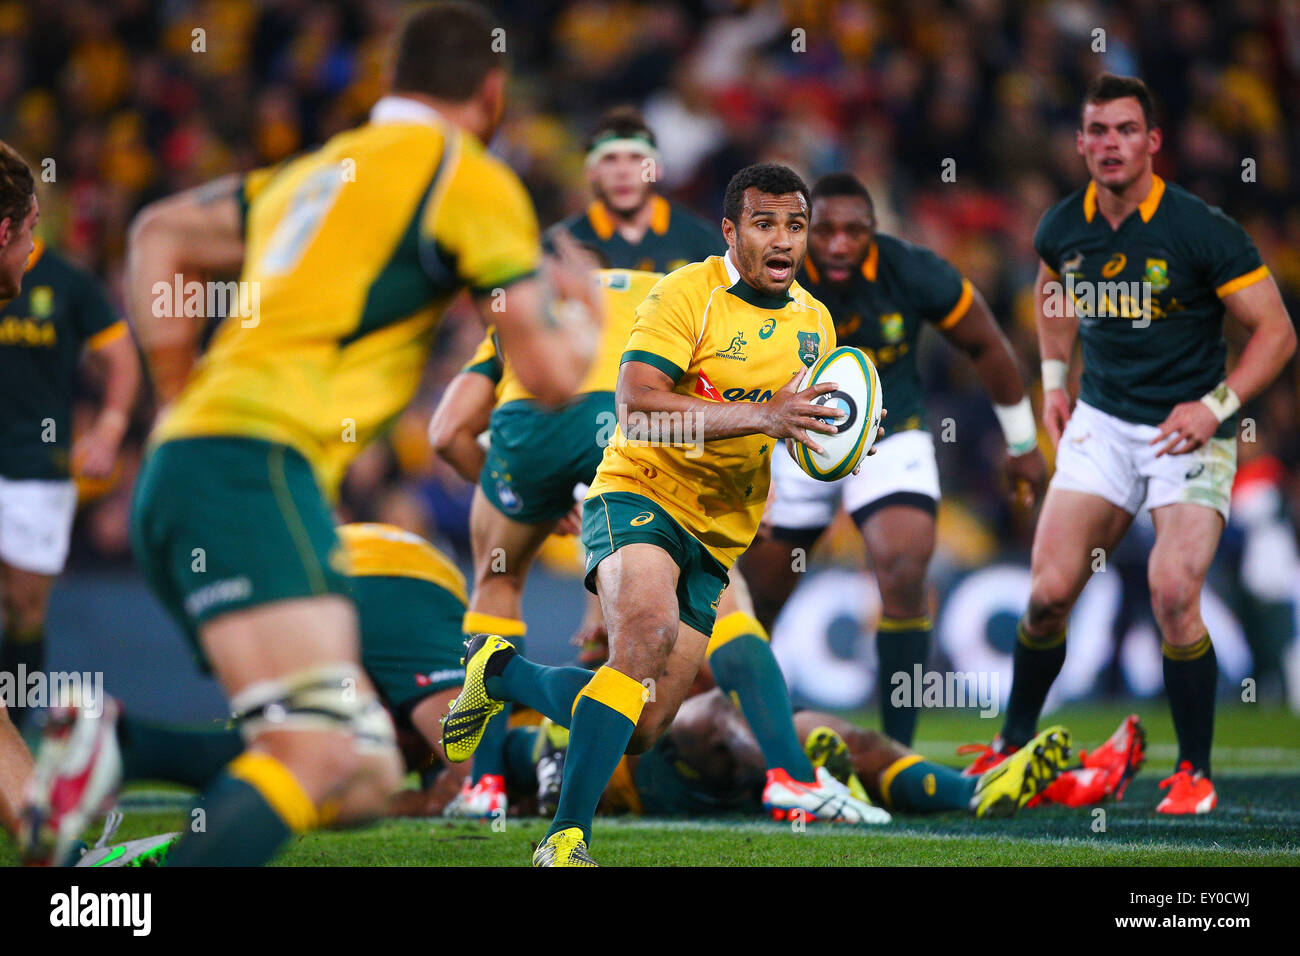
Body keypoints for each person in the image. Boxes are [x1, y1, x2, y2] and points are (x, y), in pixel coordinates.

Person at [123, 2, 601, 866]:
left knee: (355, 769)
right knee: (323, 754)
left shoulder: (317, 169)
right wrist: (589, 316)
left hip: (191, 463)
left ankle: (112, 764)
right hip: (255, 464)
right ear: (491, 94)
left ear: (392, 82)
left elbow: (158, 233)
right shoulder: (467, 174)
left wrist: (175, 395)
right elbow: (559, 377)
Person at [442, 162, 909, 866]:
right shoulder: (685, 293)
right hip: (640, 493)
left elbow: (801, 430)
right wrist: (763, 413)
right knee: (643, 638)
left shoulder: (816, 323)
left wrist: (845, 440)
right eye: (764, 224)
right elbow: (637, 408)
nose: (783, 240)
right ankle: (564, 842)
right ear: (730, 231)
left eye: (795, 225)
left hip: (717, 535)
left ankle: (501, 673)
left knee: (644, 726)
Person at [970, 74, 1295, 814]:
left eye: (1124, 130)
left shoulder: (1200, 228)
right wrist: (1054, 378)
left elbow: (1277, 332)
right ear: (1080, 143)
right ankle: (1012, 739)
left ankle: (1195, 772)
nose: (1109, 144)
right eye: (1097, 131)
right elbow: (1054, 291)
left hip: (1188, 428)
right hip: (1104, 423)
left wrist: (1217, 407)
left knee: (1174, 593)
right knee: (1049, 595)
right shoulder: (1061, 225)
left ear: (1152, 142)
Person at [739, 172, 1046, 746]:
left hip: (890, 431)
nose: (836, 245)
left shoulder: (914, 270)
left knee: (904, 571)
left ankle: (898, 748)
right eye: (822, 229)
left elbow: (985, 343)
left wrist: (1023, 442)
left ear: (875, 232)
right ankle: (736, 732)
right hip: (787, 434)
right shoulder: (768, 270)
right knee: (761, 594)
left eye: (853, 231)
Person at [21, 522, 474, 865]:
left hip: (283, 569)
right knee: (362, 770)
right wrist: (431, 796)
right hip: (395, 580)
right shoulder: (472, 664)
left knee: (292, 749)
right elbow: (474, 779)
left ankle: (127, 743)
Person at [427, 267, 662, 818]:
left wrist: (521, 493)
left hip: (526, 428)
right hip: (621, 419)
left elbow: (445, 434)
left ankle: (484, 788)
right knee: (688, 575)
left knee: (497, 581)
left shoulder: (524, 306)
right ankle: (784, 771)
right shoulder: (670, 294)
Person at [0, 230, 139, 729]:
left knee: (24, 606)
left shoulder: (67, 282)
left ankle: (15, 729)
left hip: (38, 467)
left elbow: (121, 358)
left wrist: (109, 427)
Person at [547, 107, 722, 273]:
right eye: (609, 159)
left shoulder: (702, 242)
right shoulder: (560, 246)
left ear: (656, 170)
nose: (623, 171)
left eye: (636, 158)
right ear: (591, 172)